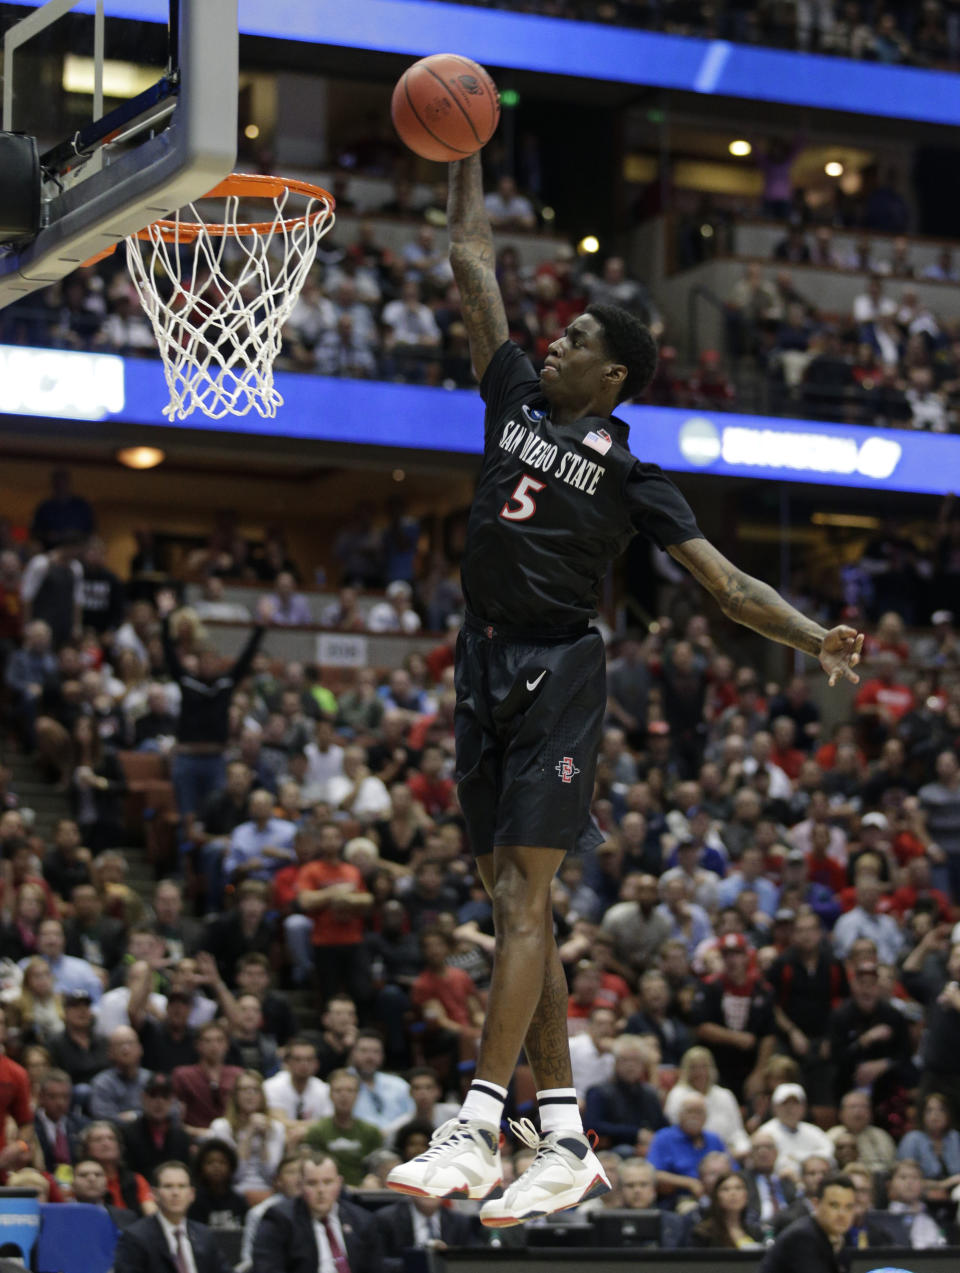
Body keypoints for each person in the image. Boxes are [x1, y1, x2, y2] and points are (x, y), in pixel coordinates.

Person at [387, 149, 865, 1228]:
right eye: (554, 334)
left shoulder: (632, 472)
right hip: (481, 657)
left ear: (612, 376)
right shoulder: (510, 396)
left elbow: (729, 586)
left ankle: (475, 1122)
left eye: (574, 342)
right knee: (522, 904)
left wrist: (809, 636)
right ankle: (560, 1133)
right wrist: (465, 159)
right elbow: (472, 263)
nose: (549, 342)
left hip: (560, 669)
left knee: (520, 898)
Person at [252, 1150, 383, 1273]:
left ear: (339, 1183)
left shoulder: (362, 1220)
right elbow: (267, 1268)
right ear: (301, 1185)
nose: (321, 1190)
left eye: (327, 1182)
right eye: (312, 1183)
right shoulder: (280, 1219)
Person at [113, 1160, 234, 1273]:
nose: (175, 1193)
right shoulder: (136, 1237)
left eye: (181, 1186)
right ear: (155, 1194)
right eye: (168, 1186)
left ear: (191, 1194)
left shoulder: (204, 1235)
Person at [758, 1173, 856, 1273]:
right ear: (816, 1204)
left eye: (849, 1207)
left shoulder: (838, 1239)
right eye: (834, 1205)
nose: (842, 1214)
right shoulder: (802, 1237)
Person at [303, 1069, 383, 1186]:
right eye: (338, 1090)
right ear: (330, 1094)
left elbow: (378, 1168)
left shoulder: (371, 1131)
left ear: (358, 1094)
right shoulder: (317, 1131)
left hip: (364, 1194)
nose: (344, 1095)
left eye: (350, 1090)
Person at [123, 1074, 193, 1182]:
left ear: (171, 1100)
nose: (159, 1102)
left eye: (164, 1096)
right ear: (143, 1098)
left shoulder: (182, 1137)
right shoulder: (127, 1134)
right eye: (153, 1095)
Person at [238, 1156, 302, 1272]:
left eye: (301, 1172)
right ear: (278, 1180)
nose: (298, 1178)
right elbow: (248, 1259)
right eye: (291, 1172)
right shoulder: (259, 1213)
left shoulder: (318, 1211)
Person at [690, 1171, 764, 1248]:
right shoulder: (704, 1233)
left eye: (738, 1188)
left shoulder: (755, 1232)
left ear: (746, 1195)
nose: (733, 1193)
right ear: (716, 1197)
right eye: (725, 1189)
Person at [72, 1156, 139, 1230]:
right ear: (72, 1184)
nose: (92, 1179)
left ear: (106, 1183)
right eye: (83, 1175)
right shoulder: (60, 1215)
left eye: (98, 1175)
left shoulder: (127, 1217)